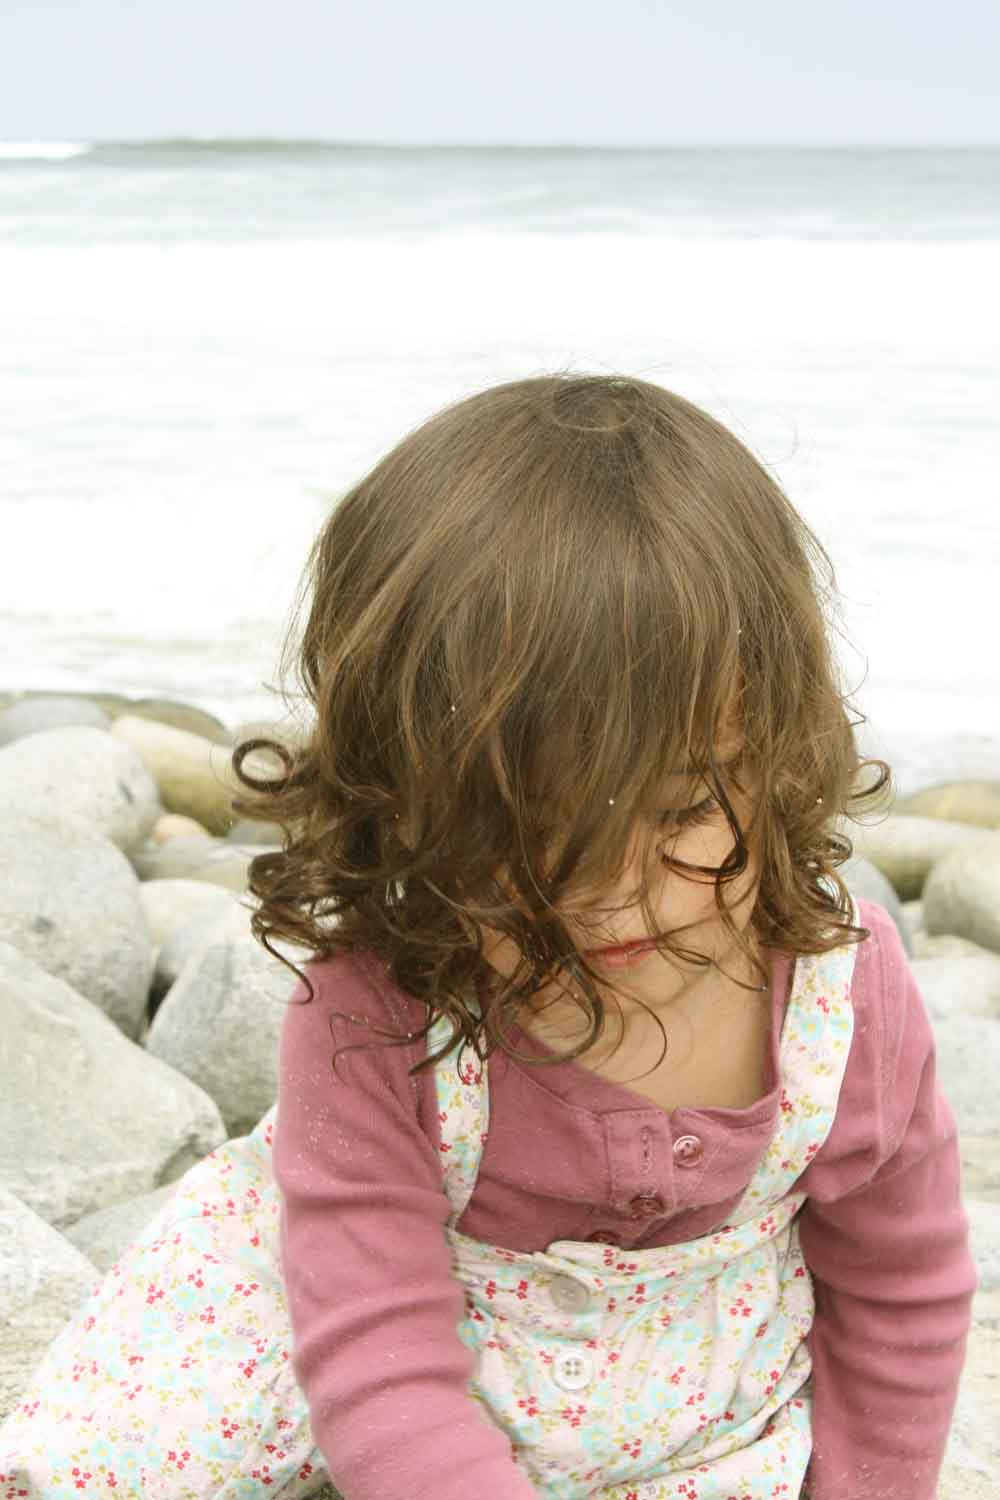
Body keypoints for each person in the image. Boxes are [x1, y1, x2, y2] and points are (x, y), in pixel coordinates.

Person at [0, 373, 978, 1500]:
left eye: (680, 813)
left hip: (670, 1369)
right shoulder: (381, 1001)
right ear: (397, 796)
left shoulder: (840, 997)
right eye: (527, 835)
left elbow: (900, 1293)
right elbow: (379, 1355)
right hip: (361, 1319)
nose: (612, 898)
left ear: (781, 749)